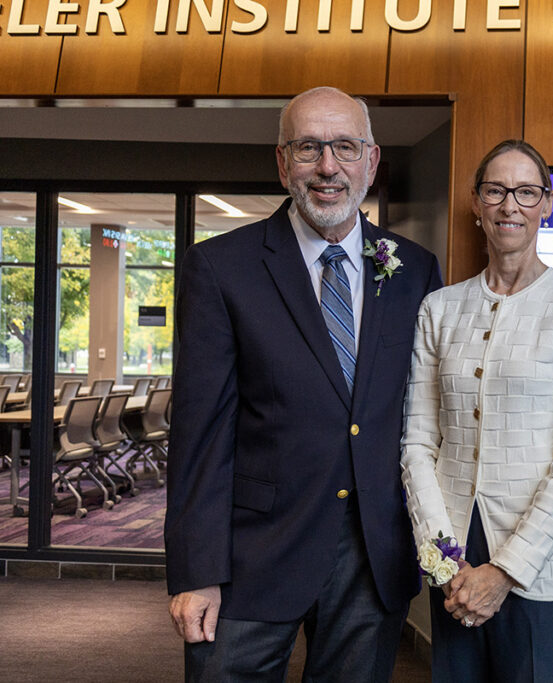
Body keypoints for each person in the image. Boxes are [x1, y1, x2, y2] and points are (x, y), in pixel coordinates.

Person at [164, 86, 443, 681]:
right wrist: (196, 571)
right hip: (250, 554)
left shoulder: (414, 268)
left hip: (372, 553)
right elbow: (199, 433)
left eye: (344, 147)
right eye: (309, 147)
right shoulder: (219, 267)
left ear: (370, 160)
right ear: (282, 161)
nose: (327, 166)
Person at [400, 139, 553, 682]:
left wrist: (505, 571)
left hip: (546, 570)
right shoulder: (439, 308)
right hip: (455, 568)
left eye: (525, 191)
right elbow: (418, 444)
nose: (509, 205)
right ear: (476, 202)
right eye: (495, 190)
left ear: (547, 203)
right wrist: (444, 562)